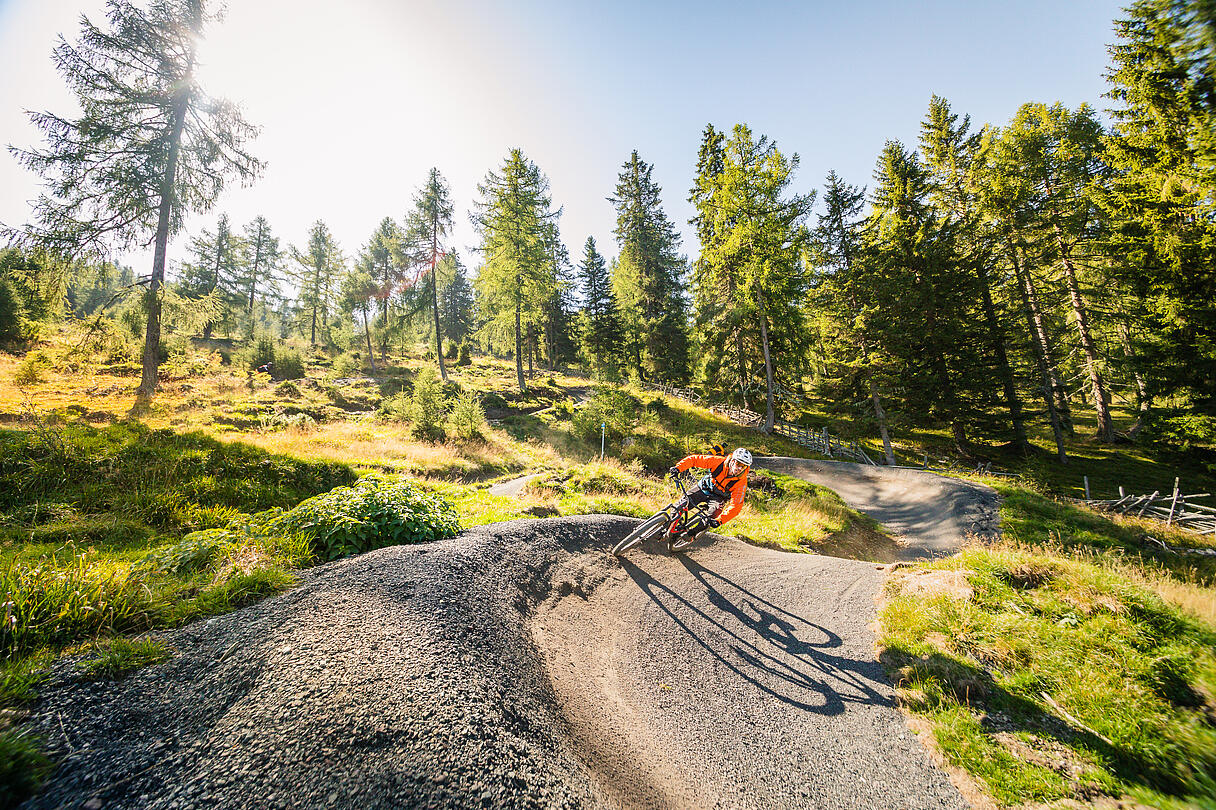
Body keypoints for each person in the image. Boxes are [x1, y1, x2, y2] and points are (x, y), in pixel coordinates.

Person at [667, 446, 753, 540]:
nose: (740, 468)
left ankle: (690, 534)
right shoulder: (718, 462)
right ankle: (671, 526)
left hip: (718, 499)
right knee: (678, 507)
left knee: (710, 519)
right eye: (738, 463)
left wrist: (720, 521)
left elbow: (736, 506)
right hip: (703, 488)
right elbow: (694, 459)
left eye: (743, 466)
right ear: (732, 460)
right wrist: (678, 468)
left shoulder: (741, 483)